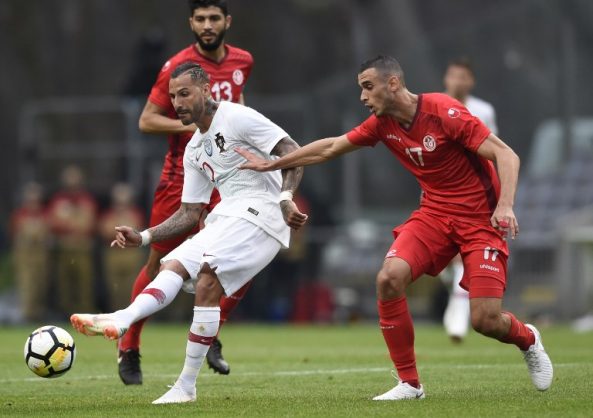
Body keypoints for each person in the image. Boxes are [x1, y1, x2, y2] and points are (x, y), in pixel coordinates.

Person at [236, 55, 553, 400]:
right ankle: (410, 384)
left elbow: (507, 155)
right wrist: (273, 164)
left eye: (368, 87)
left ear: (393, 83)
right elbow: (331, 147)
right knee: (388, 278)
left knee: (485, 320)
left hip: (480, 220)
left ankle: (528, 339)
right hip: (434, 215)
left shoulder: (443, 111)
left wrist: (505, 205)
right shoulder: (381, 124)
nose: (363, 97)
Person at [70, 61, 307, 404]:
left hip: (264, 213)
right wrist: (145, 236)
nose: (177, 103)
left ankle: (183, 385)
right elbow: (189, 212)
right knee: (172, 265)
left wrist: (285, 198)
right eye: (172, 97)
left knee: (208, 278)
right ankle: (125, 319)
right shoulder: (194, 148)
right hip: (229, 213)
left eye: (184, 94)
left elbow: (292, 150)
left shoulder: (237, 116)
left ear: (206, 89)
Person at [118, 0, 254, 384]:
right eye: (200, 19)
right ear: (191, 23)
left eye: (214, 18)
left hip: (226, 176)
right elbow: (147, 120)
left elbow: (237, 105)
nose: (208, 25)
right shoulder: (176, 67)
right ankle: (129, 345)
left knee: (244, 256)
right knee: (156, 264)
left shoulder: (243, 61)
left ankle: (211, 334)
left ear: (227, 21)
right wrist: (196, 126)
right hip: (182, 176)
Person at [441, 57, 499, 342]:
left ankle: (457, 322)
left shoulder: (483, 111)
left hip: (472, 194)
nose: (458, 81)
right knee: (445, 263)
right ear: (446, 78)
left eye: (463, 76)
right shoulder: (434, 106)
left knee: (462, 260)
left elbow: (495, 150)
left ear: (471, 81)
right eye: (453, 75)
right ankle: (456, 307)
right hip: (438, 191)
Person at [47, 165, 98, 315]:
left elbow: (90, 223)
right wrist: (75, 223)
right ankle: (66, 312)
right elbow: (53, 222)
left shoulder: (86, 199)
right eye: (69, 177)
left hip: (82, 248)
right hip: (64, 247)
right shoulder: (58, 199)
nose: (72, 180)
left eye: (75, 177)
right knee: (64, 282)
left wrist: (68, 221)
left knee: (84, 282)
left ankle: (85, 311)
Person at [99, 183, 146, 311]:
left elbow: (137, 230)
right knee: (114, 287)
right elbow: (105, 231)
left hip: (131, 253)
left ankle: (133, 311)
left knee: (132, 285)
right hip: (113, 253)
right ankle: (116, 311)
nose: (121, 204)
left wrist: (118, 227)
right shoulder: (108, 214)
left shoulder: (135, 213)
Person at [11, 182, 50, 322]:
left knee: (41, 283)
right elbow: (20, 233)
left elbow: (46, 231)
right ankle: (27, 314)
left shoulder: (44, 214)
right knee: (27, 284)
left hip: (41, 253)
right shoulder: (20, 214)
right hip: (26, 254)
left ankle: (39, 313)